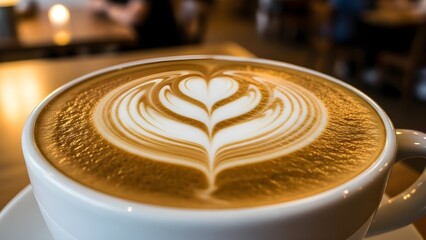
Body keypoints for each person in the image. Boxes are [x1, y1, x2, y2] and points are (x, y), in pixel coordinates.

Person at [89, 0, 183, 49]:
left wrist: (104, 7)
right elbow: (93, 5)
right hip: (132, 41)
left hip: (157, 47)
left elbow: (132, 17)